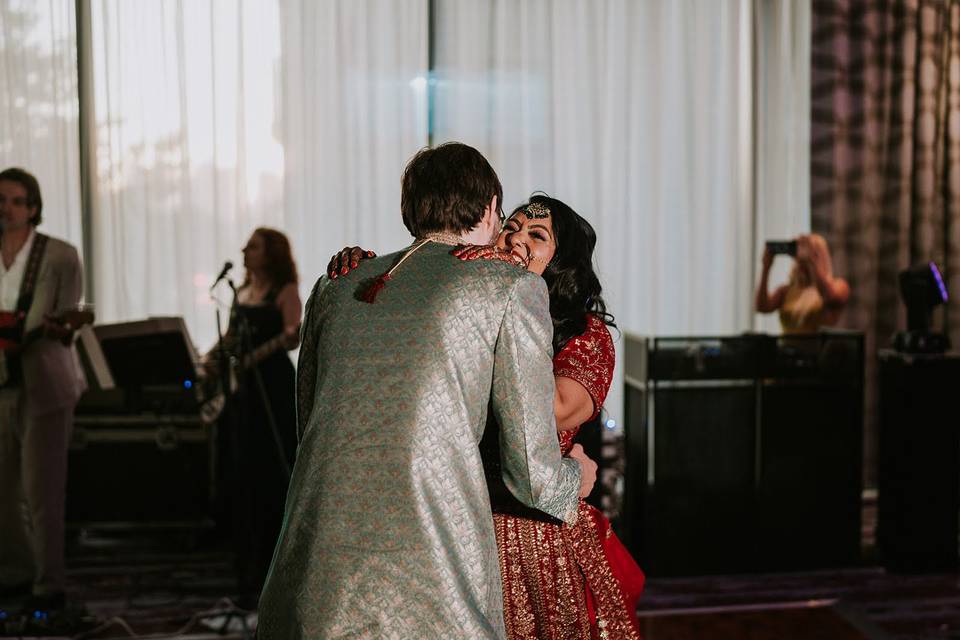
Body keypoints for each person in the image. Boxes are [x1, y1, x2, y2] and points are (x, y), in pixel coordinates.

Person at [257, 143, 594, 639]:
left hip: (316, 562)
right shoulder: (509, 287)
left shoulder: (338, 284)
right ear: (490, 209)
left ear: (408, 209)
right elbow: (531, 470)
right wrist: (575, 477)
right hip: (431, 568)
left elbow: (310, 419)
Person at [329, 194, 645, 639]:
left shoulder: (585, 334)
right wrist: (375, 271)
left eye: (537, 236)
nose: (516, 239)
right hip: (454, 524)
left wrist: (513, 303)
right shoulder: (471, 300)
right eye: (510, 228)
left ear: (564, 261)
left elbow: (550, 410)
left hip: (534, 532)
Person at [0, 167, 85, 612]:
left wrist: (58, 326)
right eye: (0, 200)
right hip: (1, 381)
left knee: (43, 489)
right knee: (2, 488)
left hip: (45, 380)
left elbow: (71, 319)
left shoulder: (59, 255)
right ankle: (14, 573)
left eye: (15, 200)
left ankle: (48, 582)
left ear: (33, 207)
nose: (7, 209)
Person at [213, 227, 301, 605]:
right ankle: (243, 565)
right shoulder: (241, 292)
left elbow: (293, 335)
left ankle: (273, 564)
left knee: (271, 471)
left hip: (272, 386)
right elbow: (231, 337)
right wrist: (207, 358)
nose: (245, 251)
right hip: (243, 389)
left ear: (271, 254)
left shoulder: (285, 291)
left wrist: (263, 351)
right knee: (242, 470)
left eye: (253, 247)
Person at [755, 233, 850, 334]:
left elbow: (828, 296)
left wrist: (812, 262)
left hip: (818, 348)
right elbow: (763, 307)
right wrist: (766, 267)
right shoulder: (787, 291)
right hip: (786, 349)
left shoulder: (839, 286)